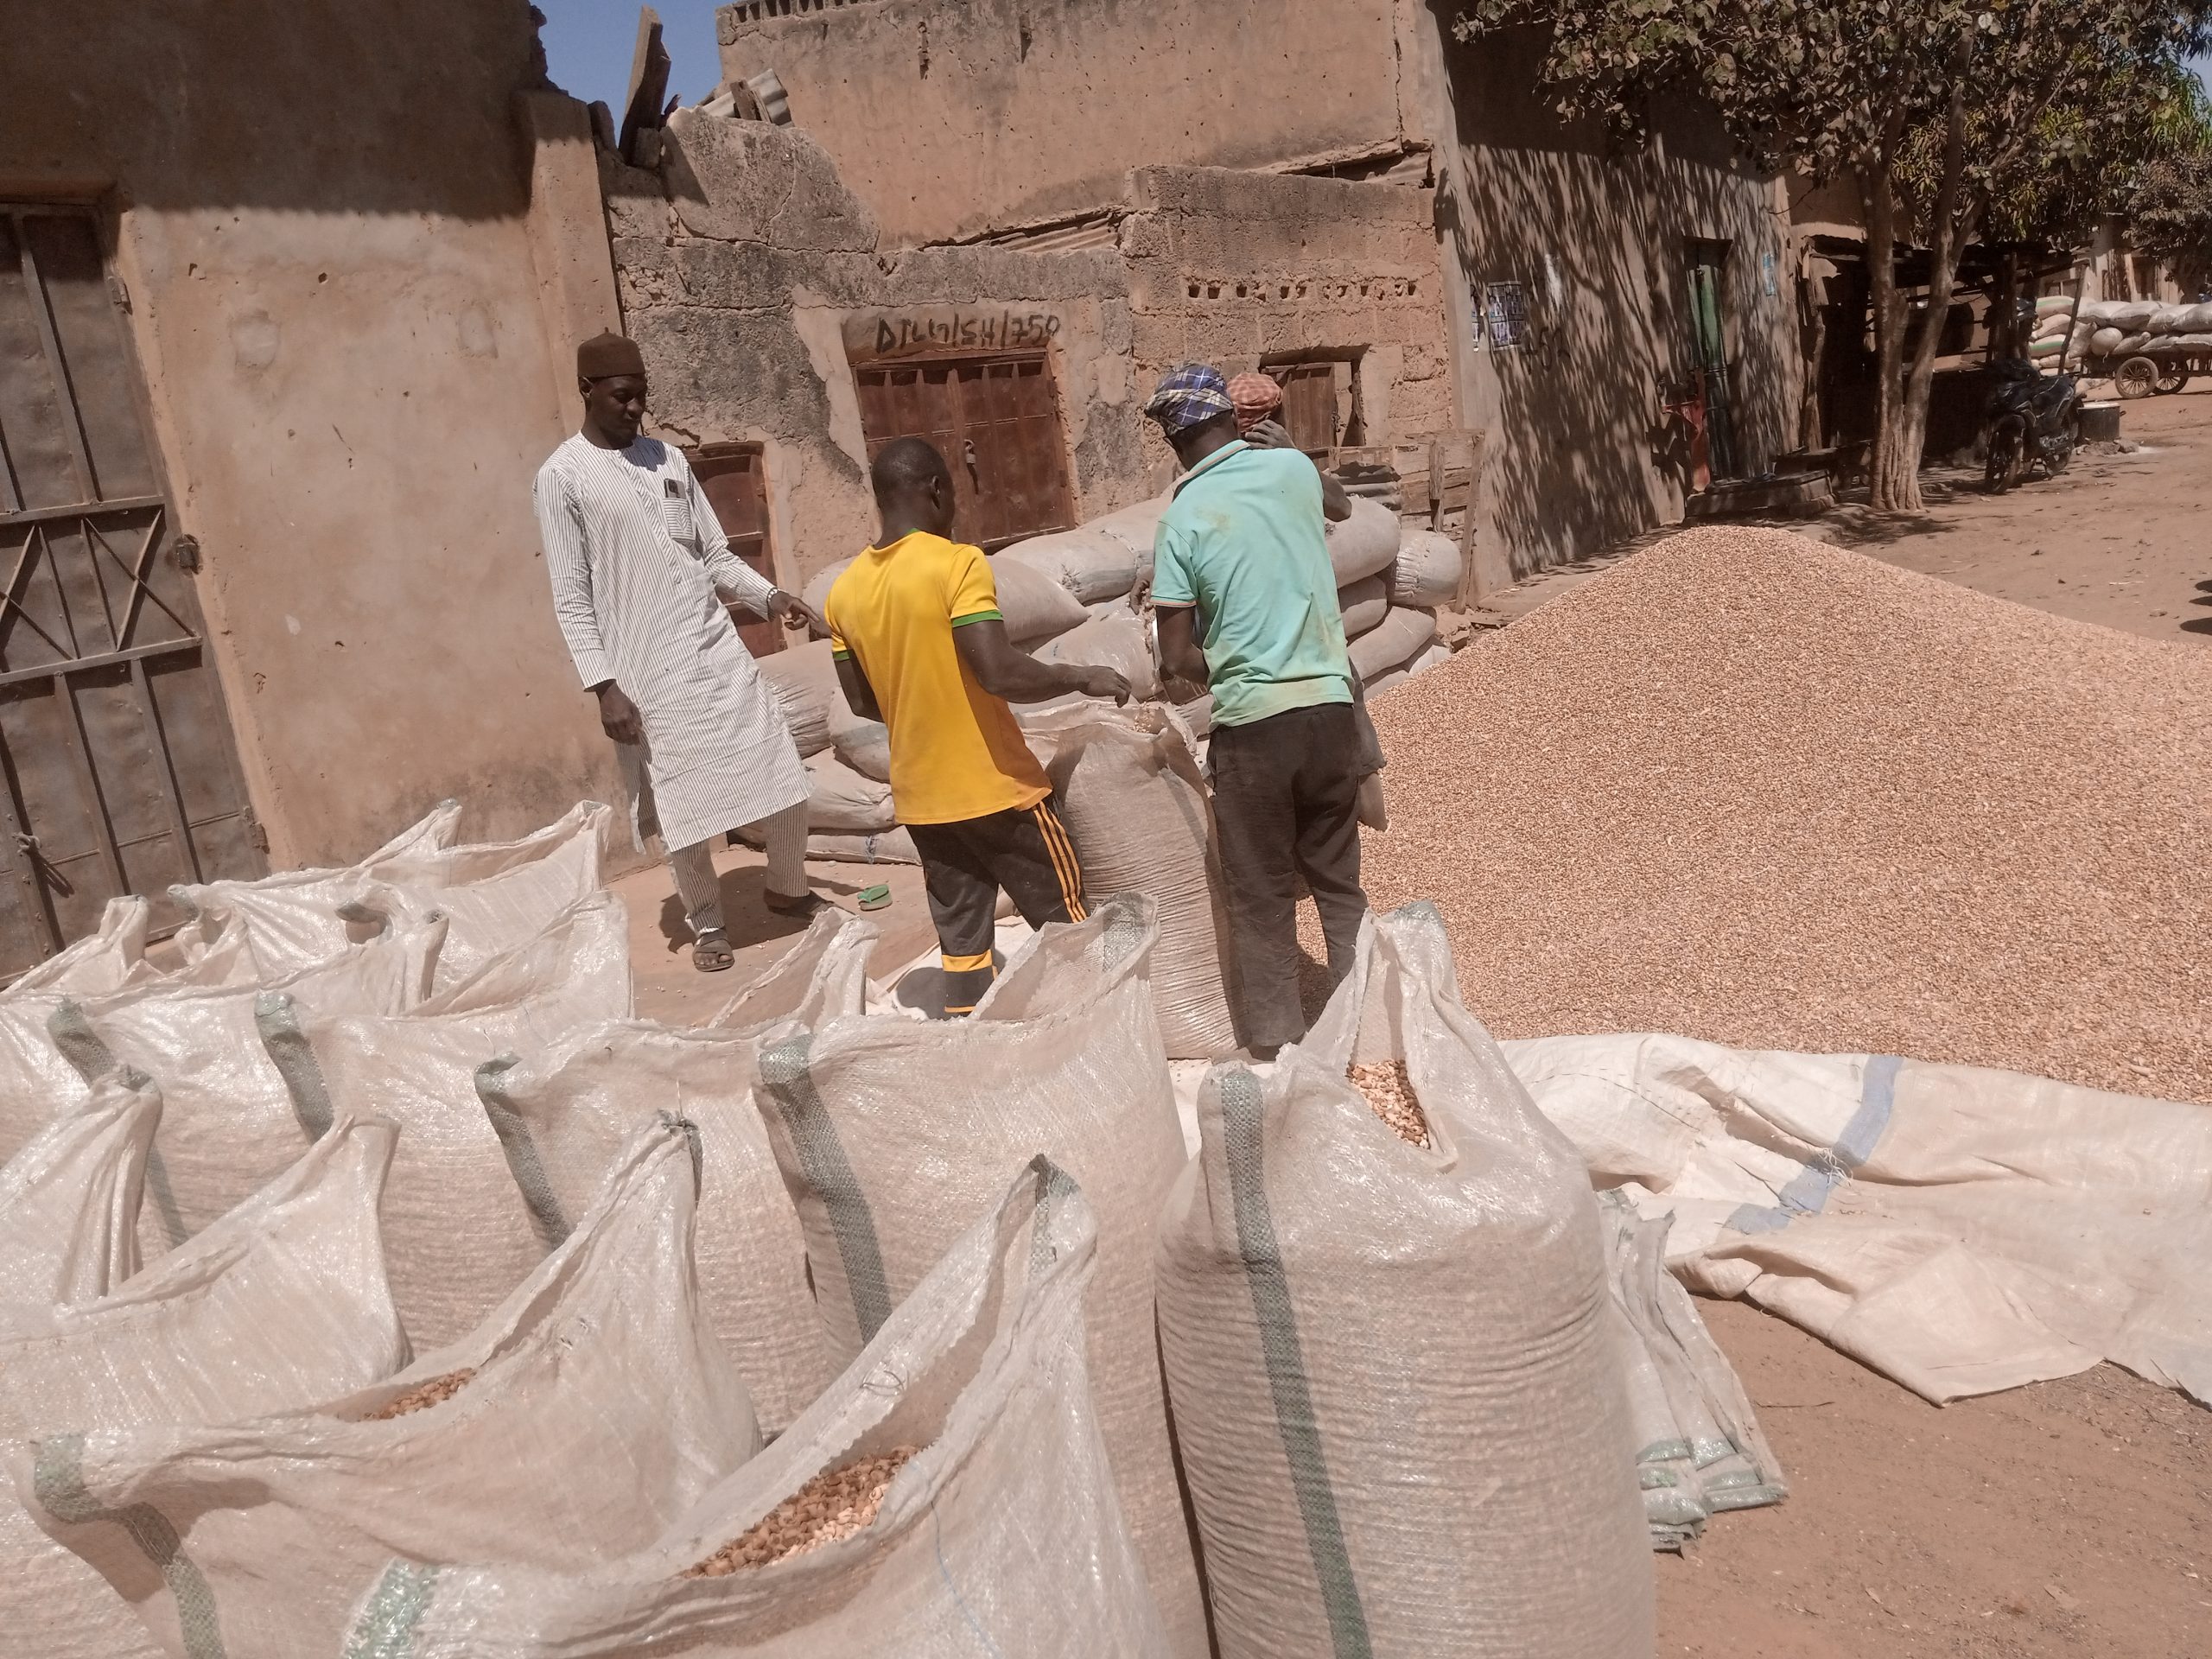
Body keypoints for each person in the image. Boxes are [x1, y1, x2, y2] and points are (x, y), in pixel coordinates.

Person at [533, 331, 827, 974]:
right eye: (622, 396)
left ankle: (786, 887)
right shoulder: (561, 478)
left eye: (642, 395)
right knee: (685, 805)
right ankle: (709, 923)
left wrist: (771, 597)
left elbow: (714, 555)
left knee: (779, 766)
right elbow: (571, 595)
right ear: (586, 390)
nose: (636, 408)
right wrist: (603, 684)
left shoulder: (666, 459)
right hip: (645, 672)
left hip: (714, 648)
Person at [826, 438, 1131, 1015]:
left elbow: (864, 704)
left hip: (923, 799)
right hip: (997, 789)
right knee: (1067, 926)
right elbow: (998, 671)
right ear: (937, 490)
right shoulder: (956, 563)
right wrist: (1078, 675)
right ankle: (1095, 1035)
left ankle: (975, 1042)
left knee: (963, 946)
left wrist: (921, 695)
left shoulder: (846, 592)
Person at [1146, 363, 1367, 1058]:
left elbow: (1178, 659)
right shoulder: (1295, 472)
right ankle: (1367, 1018)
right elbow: (1343, 506)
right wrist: (1291, 447)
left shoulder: (1181, 520)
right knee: (1338, 881)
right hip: (1333, 713)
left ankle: (1278, 1044)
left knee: (1262, 894)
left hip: (1254, 729)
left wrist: (1229, 667)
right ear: (1232, 420)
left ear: (1173, 441)